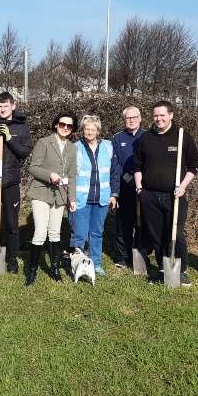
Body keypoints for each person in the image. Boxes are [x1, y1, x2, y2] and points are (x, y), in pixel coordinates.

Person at [133, 101, 198, 287]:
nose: (159, 119)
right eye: (156, 115)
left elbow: (194, 165)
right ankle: (163, 269)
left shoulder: (182, 136)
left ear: (171, 115)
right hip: (149, 195)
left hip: (174, 196)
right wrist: (139, 187)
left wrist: (184, 186)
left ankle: (182, 270)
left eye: (162, 115)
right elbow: (137, 165)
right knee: (157, 234)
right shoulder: (145, 138)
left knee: (174, 233)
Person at [0, 91, 32, 273]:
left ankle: (11, 261)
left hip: (11, 182)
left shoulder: (21, 127)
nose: (2, 109)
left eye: (6, 106)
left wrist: (9, 139)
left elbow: (24, 153)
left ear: (13, 106)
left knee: (11, 223)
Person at [25, 110, 77, 285]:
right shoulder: (44, 142)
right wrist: (50, 175)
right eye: (62, 124)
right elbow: (33, 168)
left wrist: (72, 198)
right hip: (41, 192)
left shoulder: (72, 148)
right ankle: (31, 271)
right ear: (56, 124)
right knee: (40, 232)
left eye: (69, 126)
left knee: (55, 233)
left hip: (60, 195)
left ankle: (55, 269)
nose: (65, 128)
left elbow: (72, 175)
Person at [69, 115, 120, 277]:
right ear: (82, 130)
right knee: (79, 234)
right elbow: (69, 175)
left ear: (98, 131)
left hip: (102, 198)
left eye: (93, 129)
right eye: (86, 128)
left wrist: (114, 194)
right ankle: (76, 264)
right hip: (80, 199)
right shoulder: (75, 147)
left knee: (97, 232)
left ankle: (95, 263)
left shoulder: (108, 146)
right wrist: (70, 197)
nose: (89, 131)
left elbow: (114, 173)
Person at [111, 105, 147, 269]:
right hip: (125, 188)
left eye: (134, 117)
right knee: (123, 225)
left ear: (140, 118)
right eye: (128, 118)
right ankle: (122, 258)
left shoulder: (148, 136)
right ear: (124, 120)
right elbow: (115, 165)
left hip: (146, 188)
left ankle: (142, 255)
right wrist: (119, 188)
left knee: (145, 225)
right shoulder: (117, 138)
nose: (131, 120)